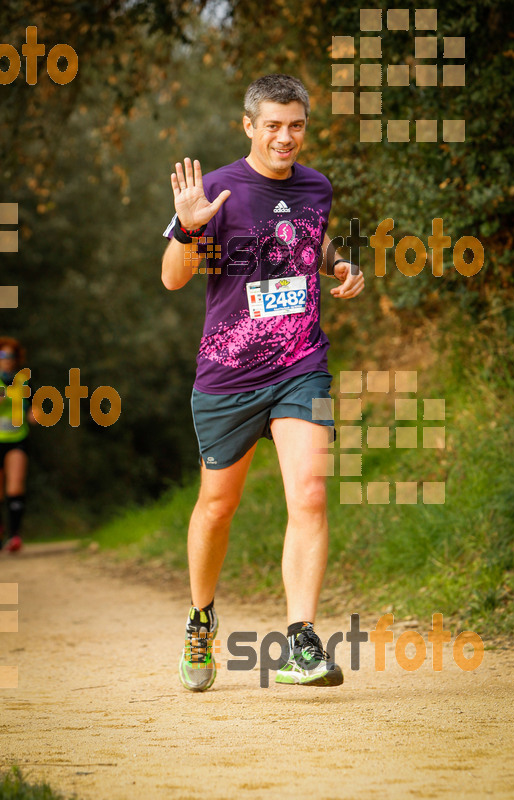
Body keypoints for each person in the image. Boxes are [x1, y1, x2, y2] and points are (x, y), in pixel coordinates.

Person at [161, 74, 364, 691]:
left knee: (308, 494)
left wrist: (339, 262)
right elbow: (172, 278)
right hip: (228, 375)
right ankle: (201, 619)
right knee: (218, 507)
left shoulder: (316, 187)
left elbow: (309, 236)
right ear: (248, 125)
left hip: (301, 362)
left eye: (296, 125)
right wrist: (190, 227)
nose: (285, 137)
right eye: (272, 125)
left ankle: (301, 641)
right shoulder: (215, 188)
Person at [0, 337, 35, 552]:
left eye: (10, 356)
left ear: (16, 359)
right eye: (2, 356)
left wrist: (34, 414)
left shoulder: (24, 381)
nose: (6, 360)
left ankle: (14, 536)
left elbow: (31, 408)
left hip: (17, 439)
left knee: (15, 486)